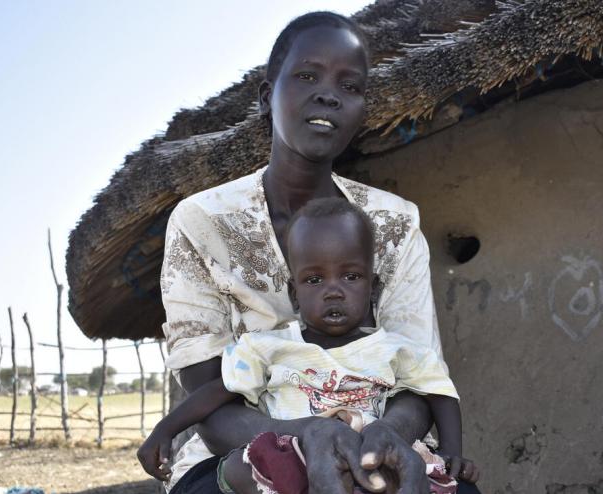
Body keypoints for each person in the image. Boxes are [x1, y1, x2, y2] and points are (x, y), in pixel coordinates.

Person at [157, 11, 482, 493]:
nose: (328, 93)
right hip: (242, 453)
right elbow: (209, 395)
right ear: (268, 97)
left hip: (379, 444)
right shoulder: (202, 222)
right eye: (307, 76)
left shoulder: (393, 223)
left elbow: (417, 375)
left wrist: (381, 437)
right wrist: (305, 437)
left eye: (349, 86)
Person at [139, 199, 480, 493]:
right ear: (294, 294)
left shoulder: (398, 350)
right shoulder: (267, 349)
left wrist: (452, 451)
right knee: (262, 459)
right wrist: (166, 429)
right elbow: (221, 390)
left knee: (424, 475)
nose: (333, 291)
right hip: (297, 452)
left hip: (373, 454)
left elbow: (439, 392)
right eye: (315, 279)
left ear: (373, 289)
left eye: (351, 276)